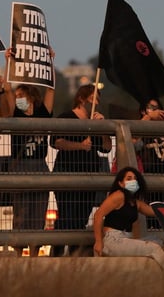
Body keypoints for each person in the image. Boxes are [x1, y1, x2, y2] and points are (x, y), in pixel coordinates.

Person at [50, 84, 112, 256]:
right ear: (81, 99)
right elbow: (57, 142)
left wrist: (103, 127)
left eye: (97, 99)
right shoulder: (67, 117)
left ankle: (75, 257)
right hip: (67, 175)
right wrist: (80, 146)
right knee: (66, 218)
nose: (95, 102)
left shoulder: (95, 122)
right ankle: (57, 255)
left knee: (81, 219)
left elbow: (106, 147)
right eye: (92, 98)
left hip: (89, 178)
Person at [1, 47, 55, 239]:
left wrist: (50, 62)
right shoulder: (16, 112)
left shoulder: (42, 112)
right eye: (16, 98)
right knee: (21, 212)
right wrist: (8, 62)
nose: (17, 100)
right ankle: (19, 248)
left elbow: (50, 88)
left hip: (39, 164)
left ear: (31, 96)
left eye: (20, 96)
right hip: (20, 164)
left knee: (38, 211)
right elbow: (6, 89)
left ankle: (35, 247)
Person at [93, 167, 164, 279]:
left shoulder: (135, 202)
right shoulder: (118, 195)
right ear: (121, 183)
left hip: (126, 239)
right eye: (129, 178)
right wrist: (98, 242)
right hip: (113, 241)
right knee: (153, 248)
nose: (133, 181)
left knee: (158, 241)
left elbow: (153, 211)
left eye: (135, 178)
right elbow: (98, 215)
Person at [137, 98, 164, 229]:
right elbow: (132, 139)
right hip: (147, 186)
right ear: (143, 111)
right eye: (151, 107)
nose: (156, 110)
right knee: (148, 226)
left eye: (157, 107)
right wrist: (149, 117)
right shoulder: (140, 128)